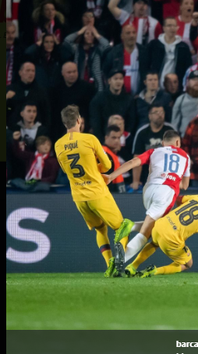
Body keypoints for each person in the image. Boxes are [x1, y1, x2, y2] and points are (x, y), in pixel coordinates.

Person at [54, 105, 134, 277]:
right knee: (122, 226)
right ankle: (120, 262)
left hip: (79, 198)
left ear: (64, 123)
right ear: (78, 120)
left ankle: (109, 264)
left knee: (100, 230)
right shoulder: (89, 139)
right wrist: (94, 168)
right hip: (97, 192)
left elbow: (66, 170)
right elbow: (107, 165)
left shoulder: (58, 144)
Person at [105, 130, 191, 276]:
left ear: (163, 143)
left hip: (148, 190)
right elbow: (184, 185)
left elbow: (133, 162)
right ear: (178, 143)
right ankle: (120, 261)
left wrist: (112, 176)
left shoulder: (154, 151)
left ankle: (131, 227)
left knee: (154, 227)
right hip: (166, 192)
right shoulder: (185, 157)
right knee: (146, 233)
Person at [127, 193, 198, 278]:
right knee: (188, 264)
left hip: (159, 225)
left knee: (154, 244)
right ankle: (154, 271)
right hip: (171, 238)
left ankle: (132, 266)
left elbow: (179, 199)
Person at [50, 62, 97, 141]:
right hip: (62, 130)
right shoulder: (56, 90)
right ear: (62, 73)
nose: (72, 74)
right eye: (69, 72)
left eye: (74, 71)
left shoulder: (88, 89)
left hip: (83, 129)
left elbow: (93, 110)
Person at [103, 25, 150, 96]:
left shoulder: (144, 51)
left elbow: (147, 72)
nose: (131, 35)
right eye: (128, 33)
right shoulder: (114, 52)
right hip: (119, 97)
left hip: (139, 96)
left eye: (134, 32)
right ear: (122, 36)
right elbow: (105, 72)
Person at [148, 17, 191, 86]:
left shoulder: (183, 47)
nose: (172, 28)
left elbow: (188, 68)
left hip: (175, 86)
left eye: (174, 26)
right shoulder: (154, 44)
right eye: (169, 25)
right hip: (156, 84)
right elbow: (146, 64)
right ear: (164, 28)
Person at [7, 62, 51, 129]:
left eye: (33, 71)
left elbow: (46, 113)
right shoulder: (10, 89)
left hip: (36, 131)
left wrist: (44, 130)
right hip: (14, 130)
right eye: (28, 70)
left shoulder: (41, 92)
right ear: (20, 73)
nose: (31, 73)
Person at [172, 71, 198, 136]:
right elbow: (174, 123)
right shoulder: (181, 99)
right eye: (193, 79)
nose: (197, 82)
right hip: (184, 137)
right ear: (188, 82)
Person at [102, 125, 127, 193]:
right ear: (106, 138)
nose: (116, 141)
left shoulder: (112, 153)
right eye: (113, 137)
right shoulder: (104, 154)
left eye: (118, 138)